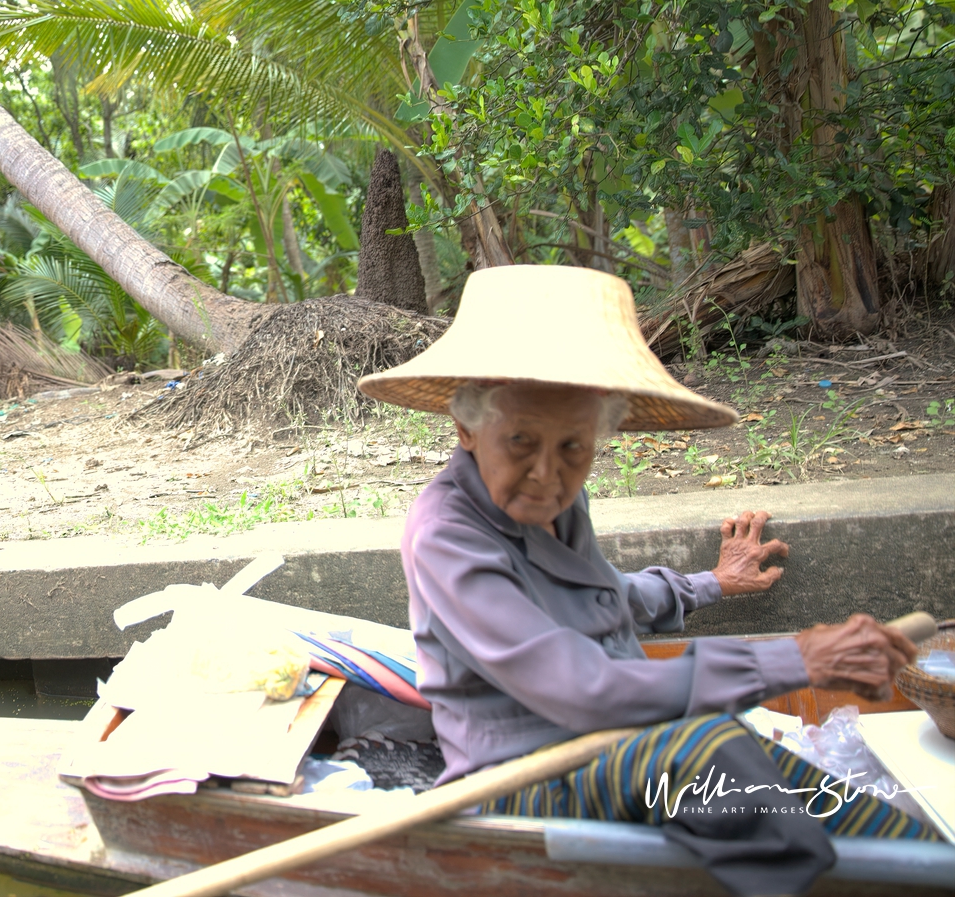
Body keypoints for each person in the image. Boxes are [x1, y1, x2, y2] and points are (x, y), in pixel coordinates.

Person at [357, 264, 935, 897]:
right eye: (520, 440)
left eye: (573, 447)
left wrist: (710, 583)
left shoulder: (552, 503)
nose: (546, 473)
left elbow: (605, 596)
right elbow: (584, 687)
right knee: (706, 748)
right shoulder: (447, 533)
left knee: (796, 781)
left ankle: (923, 862)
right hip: (529, 779)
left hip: (623, 747)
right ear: (466, 428)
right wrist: (795, 658)